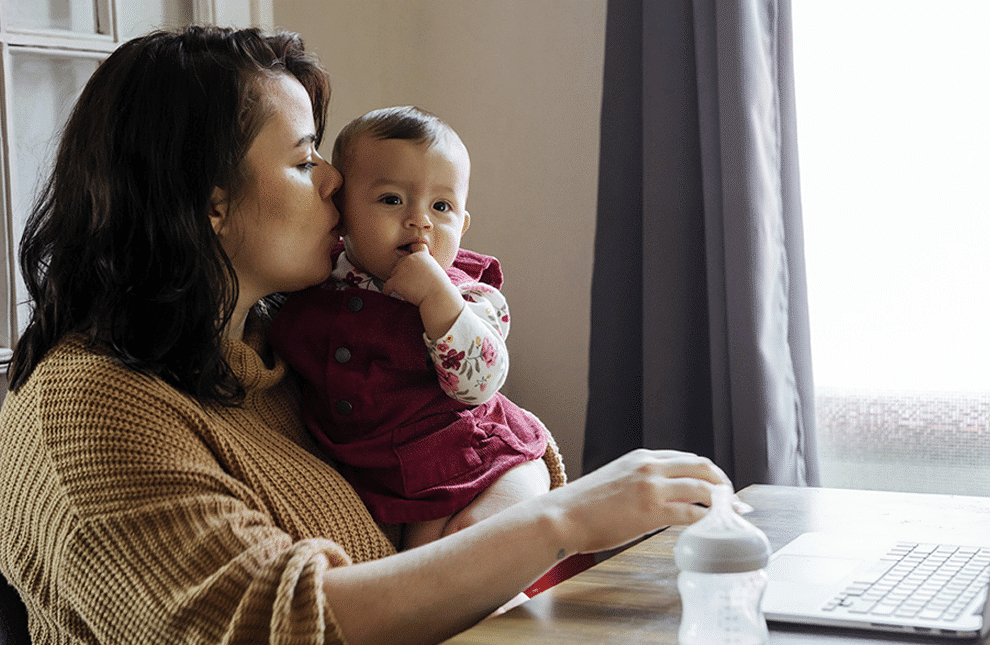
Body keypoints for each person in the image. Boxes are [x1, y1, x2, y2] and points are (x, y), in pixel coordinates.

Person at [0, 25, 734, 645]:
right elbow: (289, 620)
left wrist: (525, 476)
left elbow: (462, 437)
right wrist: (559, 519)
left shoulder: (277, 354)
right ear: (211, 203)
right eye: (302, 158)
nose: (331, 183)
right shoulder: (87, 413)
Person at [269, 105, 550, 551]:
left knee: (466, 551)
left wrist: (439, 300)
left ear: (462, 224)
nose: (420, 220)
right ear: (340, 213)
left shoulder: (467, 296)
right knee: (433, 579)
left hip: (475, 463)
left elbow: (480, 384)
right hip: (383, 479)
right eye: (392, 199)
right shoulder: (314, 284)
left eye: (442, 206)